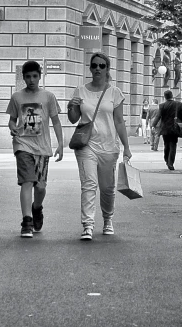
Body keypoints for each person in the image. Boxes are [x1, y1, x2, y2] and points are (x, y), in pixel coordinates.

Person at [67, 52, 132, 241]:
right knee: (89, 185)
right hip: (87, 145)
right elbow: (73, 119)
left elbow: (119, 121)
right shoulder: (80, 91)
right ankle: (87, 225)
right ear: (90, 68)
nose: (97, 69)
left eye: (102, 66)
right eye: (94, 65)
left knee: (107, 188)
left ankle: (107, 219)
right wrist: (71, 106)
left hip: (109, 147)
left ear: (107, 69)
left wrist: (127, 147)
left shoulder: (114, 93)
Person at [6, 61, 64, 238]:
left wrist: (61, 144)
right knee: (27, 181)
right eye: (28, 76)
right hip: (23, 145)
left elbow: (55, 121)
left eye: (35, 76)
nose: (31, 80)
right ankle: (27, 221)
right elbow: (12, 120)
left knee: (40, 187)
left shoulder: (48, 97)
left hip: (42, 147)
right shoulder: (17, 97)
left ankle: (37, 208)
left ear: (40, 76)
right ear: (23, 77)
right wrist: (12, 128)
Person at [151, 90, 182, 171]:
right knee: (173, 145)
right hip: (174, 128)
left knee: (166, 145)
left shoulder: (162, 105)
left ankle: (166, 160)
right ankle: (170, 162)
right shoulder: (178, 104)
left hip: (165, 128)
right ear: (172, 96)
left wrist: (153, 125)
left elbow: (158, 116)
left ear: (165, 97)